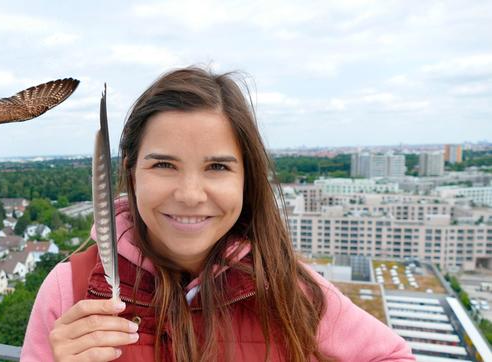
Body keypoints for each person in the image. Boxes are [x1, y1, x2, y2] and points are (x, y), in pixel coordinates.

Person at [21, 67, 414, 362]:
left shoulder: (287, 287)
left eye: (218, 167)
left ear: (247, 179)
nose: (190, 195)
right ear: (131, 174)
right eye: (163, 165)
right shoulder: (70, 289)